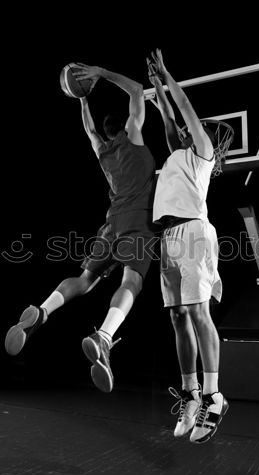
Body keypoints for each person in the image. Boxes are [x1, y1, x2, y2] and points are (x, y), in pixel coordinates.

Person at [5, 63, 157, 394]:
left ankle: (43, 311)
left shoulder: (103, 151)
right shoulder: (133, 138)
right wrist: (101, 74)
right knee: (131, 279)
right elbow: (135, 89)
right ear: (127, 126)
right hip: (136, 221)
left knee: (86, 280)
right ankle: (103, 336)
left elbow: (90, 131)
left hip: (110, 224)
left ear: (106, 131)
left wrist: (82, 99)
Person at [147, 49, 230, 444]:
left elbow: (182, 106)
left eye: (191, 128)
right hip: (168, 237)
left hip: (195, 233)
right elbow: (168, 115)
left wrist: (167, 74)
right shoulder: (177, 153)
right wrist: (157, 86)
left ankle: (214, 396)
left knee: (198, 313)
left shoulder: (202, 152)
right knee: (178, 316)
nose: (184, 129)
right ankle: (191, 394)